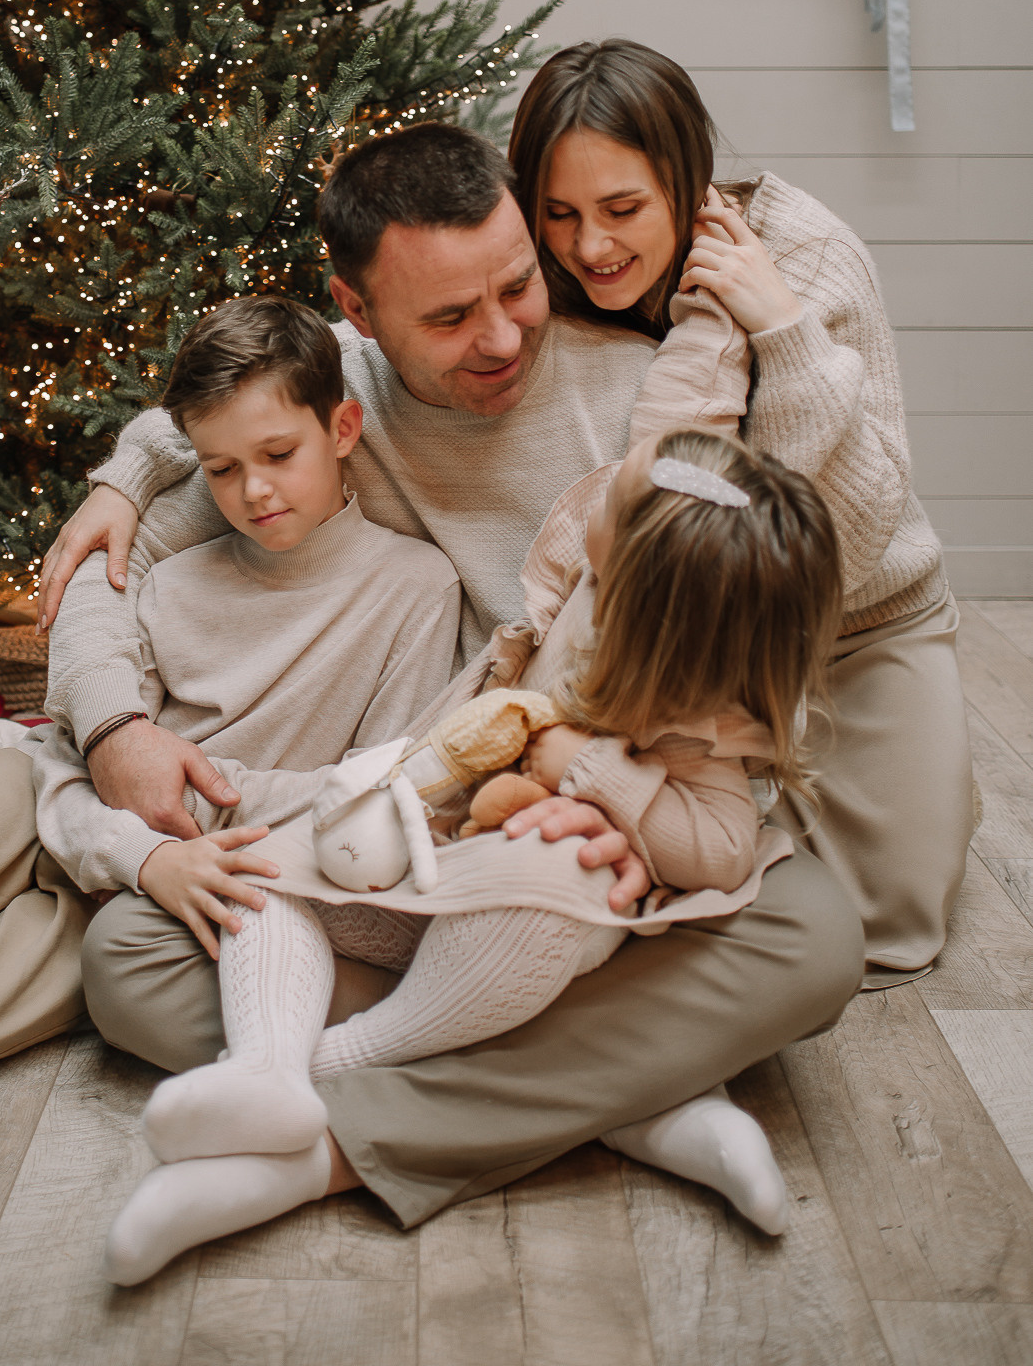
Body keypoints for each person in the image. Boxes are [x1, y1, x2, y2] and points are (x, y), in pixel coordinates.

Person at [43, 117, 862, 1236]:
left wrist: (625, 804)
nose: (499, 337)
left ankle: (316, 1139)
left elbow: (770, 558)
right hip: (428, 833)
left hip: (625, 844)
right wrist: (115, 726)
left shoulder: (640, 397)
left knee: (812, 937)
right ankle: (629, 1093)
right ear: (358, 313)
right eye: (445, 316)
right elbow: (111, 568)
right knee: (130, 957)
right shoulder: (334, 421)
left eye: (517, 286)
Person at [103, 429, 842, 1284]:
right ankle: (627, 1096)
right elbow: (215, 414)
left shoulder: (696, 700)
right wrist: (123, 481)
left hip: (544, 906)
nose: (593, 491)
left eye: (616, 498)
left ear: (646, 608)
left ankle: (323, 1087)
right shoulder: (600, 570)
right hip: (440, 872)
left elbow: (719, 849)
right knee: (249, 885)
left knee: (561, 881)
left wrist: (589, 771)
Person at [507, 38, 973, 980]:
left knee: (889, 926)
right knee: (636, 896)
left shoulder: (805, 252)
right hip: (669, 642)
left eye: (624, 209)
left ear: (687, 179)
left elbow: (856, 528)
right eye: (560, 214)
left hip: (851, 623)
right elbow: (366, 352)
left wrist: (789, 340)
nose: (591, 247)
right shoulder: (540, 267)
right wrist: (134, 469)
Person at [33, 293, 463, 955]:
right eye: (222, 470)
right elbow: (79, 763)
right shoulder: (169, 584)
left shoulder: (420, 589)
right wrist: (140, 853)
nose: (254, 491)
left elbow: (376, 796)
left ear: (343, 430)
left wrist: (184, 797)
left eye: (279, 455)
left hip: (213, 885)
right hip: (107, 854)